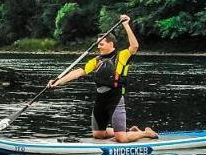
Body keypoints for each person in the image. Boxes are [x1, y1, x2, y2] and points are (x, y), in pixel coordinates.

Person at [47, 14, 159, 143]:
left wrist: (126, 25)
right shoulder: (96, 60)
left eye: (101, 44)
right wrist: (58, 82)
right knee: (98, 135)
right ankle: (129, 132)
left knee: (121, 139)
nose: (98, 47)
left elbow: (134, 47)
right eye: (98, 44)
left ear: (111, 44)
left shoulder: (121, 56)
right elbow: (78, 72)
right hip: (100, 99)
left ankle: (145, 133)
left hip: (115, 99)